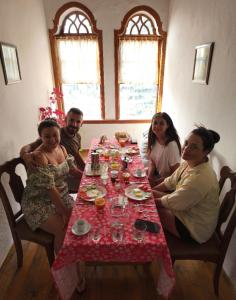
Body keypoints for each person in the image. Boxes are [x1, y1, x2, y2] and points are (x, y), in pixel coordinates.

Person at [154, 126, 220, 244]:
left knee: (150, 211)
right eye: (186, 143)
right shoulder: (189, 163)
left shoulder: (201, 178)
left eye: (194, 147)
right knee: (148, 197)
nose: (186, 149)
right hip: (185, 210)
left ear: (205, 152)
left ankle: (147, 248)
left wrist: (149, 201)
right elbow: (170, 182)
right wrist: (151, 191)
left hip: (195, 228)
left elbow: (175, 201)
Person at [21, 119, 78, 253]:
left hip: (61, 197)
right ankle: (61, 268)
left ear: (60, 135)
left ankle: (76, 253)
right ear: (40, 137)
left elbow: (73, 170)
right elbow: (50, 189)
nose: (52, 140)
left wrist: (91, 175)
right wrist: (65, 212)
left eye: (55, 135)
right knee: (63, 227)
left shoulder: (62, 148)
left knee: (82, 216)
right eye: (47, 136)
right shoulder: (40, 156)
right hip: (39, 203)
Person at [20, 107, 84, 192]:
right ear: (66, 119)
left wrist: (85, 169)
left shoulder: (77, 136)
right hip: (61, 177)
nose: (74, 124)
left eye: (78, 121)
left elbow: (76, 155)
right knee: (89, 187)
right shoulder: (54, 133)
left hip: (70, 169)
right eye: (71, 120)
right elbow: (28, 147)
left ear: (81, 124)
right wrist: (25, 155)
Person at [147, 112, 181, 186]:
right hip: (158, 176)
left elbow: (175, 174)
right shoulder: (154, 139)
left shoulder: (171, 146)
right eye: (155, 123)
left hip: (169, 183)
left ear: (167, 126)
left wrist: (156, 183)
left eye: (161, 123)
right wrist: (150, 177)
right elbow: (152, 162)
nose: (157, 126)